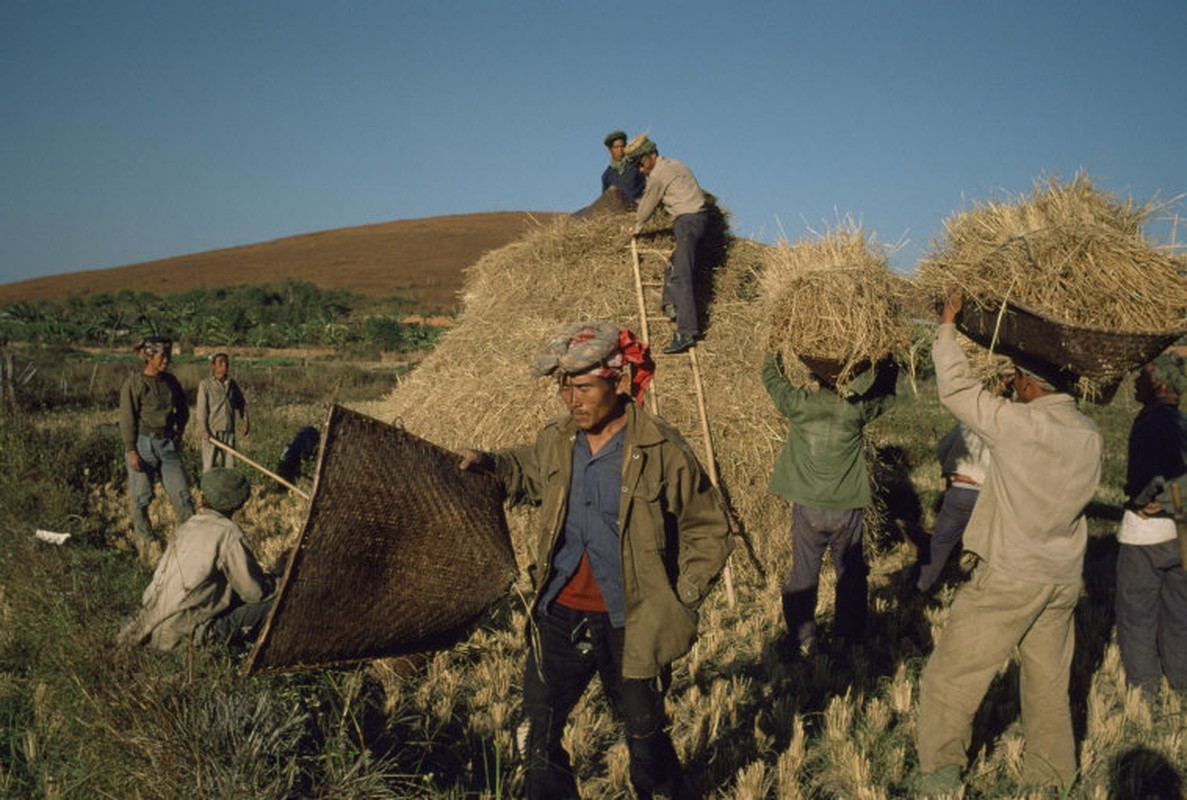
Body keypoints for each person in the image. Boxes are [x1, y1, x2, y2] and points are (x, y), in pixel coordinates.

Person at [458, 320, 731, 800]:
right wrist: (491, 463)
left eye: (583, 388)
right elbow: (525, 468)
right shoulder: (558, 441)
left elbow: (708, 529)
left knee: (645, 741)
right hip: (559, 613)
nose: (572, 400)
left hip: (633, 619)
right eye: (565, 388)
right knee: (535, 738)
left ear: (618, 383)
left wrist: (681, 600)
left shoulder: (661, 450)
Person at [913, 289, 1103, 795]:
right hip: (1062, 578)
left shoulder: (1021, 426)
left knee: (952, 676)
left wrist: (948, 326)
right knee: (1047, 686)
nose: (1013, 387)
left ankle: (938, 774)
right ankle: (1053, 778)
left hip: (1012, 575)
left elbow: (957, 392)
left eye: (1017, 380)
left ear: (1027, 383)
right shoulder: (1089, 434)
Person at [761, 351, 897, 657]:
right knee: (850, 574)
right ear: (846, 379)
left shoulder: (800, 406)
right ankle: (849, 638)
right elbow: (885, 394)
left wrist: (773, 352)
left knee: (803, 575)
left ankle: (803, 638)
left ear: (813, 379)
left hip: (808, 509)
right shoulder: (854, 412)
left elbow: (773, 382)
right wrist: (889, 362)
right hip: (846, 510)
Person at [117, 468, 272, 651]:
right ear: (240, 504)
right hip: (183, 638)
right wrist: (276, 583)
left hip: (149, 629)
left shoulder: (187, 527)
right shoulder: (229, 534)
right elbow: (253, 593)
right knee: (272, 606)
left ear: (203, 499)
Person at [1115, 353, 1187, 698]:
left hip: (1146, 534)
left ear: (1159, 381)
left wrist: (1144, 500)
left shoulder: (1148, 423)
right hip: (1181, 533)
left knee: (1137, 614)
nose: (1135, 382)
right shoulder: (1181, 422)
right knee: (1178, 613)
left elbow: (1144, 481)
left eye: (1141, 375)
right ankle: (1182, 682)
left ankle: (1144, 690)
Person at [625, 138, 710, 355]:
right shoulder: (678, 164)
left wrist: (637, 226)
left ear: (649, 156)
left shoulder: (659, 174)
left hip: (687, 221)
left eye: (640, 165)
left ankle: (686, 331)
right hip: (700, 219)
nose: (640, 170)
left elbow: (648, 203)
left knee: (682, 276)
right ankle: (671, 305)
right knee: (673, 266)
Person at [118, 336, 195, 562]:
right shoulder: (134, 384)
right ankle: (145, 544)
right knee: (141, 498)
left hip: (167, 445)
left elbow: (183, 409)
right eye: (162, 357)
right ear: (149, 357)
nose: (166, 361)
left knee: (183, 497)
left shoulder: (171, 382)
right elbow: (127, 419)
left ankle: (189, 544)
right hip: (142, 445)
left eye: (168, 356)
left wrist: (180, 429)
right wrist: (131, 450)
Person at [913, 422, 991, 593]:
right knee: (988, 546)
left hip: (960, 489)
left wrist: (952, 470)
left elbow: (942, 449)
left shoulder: (965, 424)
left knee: (940, 543)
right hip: (988, 495)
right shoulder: (1005, 425)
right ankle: (982, 590)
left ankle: (919, 588)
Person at [195, 351, 249, 473]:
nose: (224, 365)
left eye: (226, 363)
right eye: (220, 363)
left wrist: (245, 420)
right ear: (213, 366)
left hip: (228, 431)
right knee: (209, 467)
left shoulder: (231, 384)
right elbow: (201, 410)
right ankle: (206, 491)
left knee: (230, 467)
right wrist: (205, 430)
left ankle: (227, 491)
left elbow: (241, 403)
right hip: (212, 432)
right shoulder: (205, 385)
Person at [600, 129, 645, 202]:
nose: (620, 150)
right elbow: (605, 200)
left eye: (622, 146)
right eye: (616, 147)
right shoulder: (606, 176)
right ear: (610, 150)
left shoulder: (636, 166)